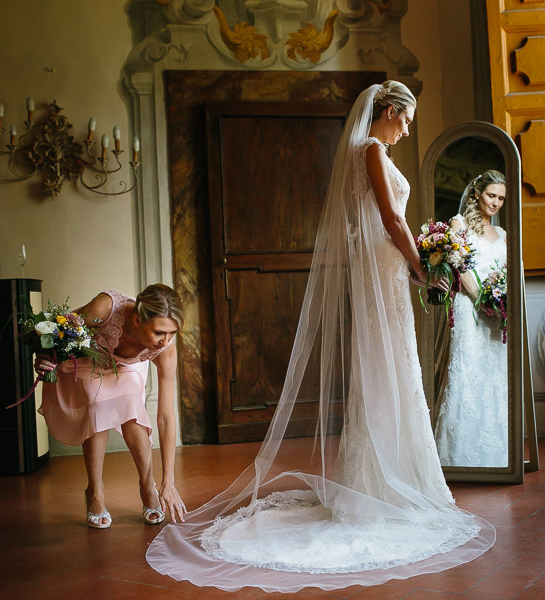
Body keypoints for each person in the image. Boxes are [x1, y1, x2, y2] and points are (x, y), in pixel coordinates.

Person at [146, 81, 494, 593]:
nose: (407, 129)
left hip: (383, 269)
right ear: (391, 110)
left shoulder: (363, 150)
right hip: (385, 268)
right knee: (389, 367)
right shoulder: (371, 150)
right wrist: (421, 266)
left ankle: (385, 477)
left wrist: (417, 261)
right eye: (407, 119)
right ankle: (385, 483)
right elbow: (391, 218)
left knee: (389, 368)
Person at [34, 284, 187, 528]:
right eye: (159, 332)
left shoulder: (165, 349)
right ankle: (95, 490)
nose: (165, 341)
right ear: (137, 320)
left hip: (127, 366)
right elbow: (62, 329)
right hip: (87, 360)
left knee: (130, 401)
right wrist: (43, 354)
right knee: (97, 401)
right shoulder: (106, 308)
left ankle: (148, 484)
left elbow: (166, 416)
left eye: (172, 334)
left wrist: (169, 480)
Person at [434, 171, 509, 467]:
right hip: (470, 308)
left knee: (495, 376)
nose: (496, 203)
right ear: (477, 193)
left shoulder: (502, 235)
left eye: (501, 198)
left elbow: (505, 272)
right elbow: (458, 265)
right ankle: (457, 455)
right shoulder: (459, 223)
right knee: (467, 371)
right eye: (492, 195)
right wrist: (481, 298)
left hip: (495, 314)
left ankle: (498, 455)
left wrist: (500, 301)